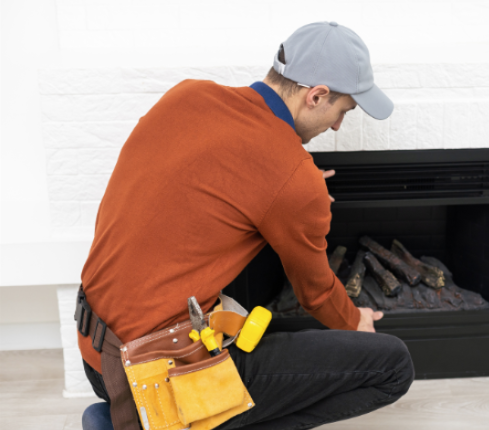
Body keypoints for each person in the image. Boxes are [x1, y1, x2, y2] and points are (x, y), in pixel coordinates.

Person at [79, 21, 414, 430]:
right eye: (343, 110)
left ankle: (117, 415)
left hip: (96, 353)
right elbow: (316, 294)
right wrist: (356, 321)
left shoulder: (187, 95)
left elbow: (194, 192)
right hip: (153, 372)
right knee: (393, 366)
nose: (339, 125)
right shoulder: (291, 176)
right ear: (317, 96)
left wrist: (295, 192)